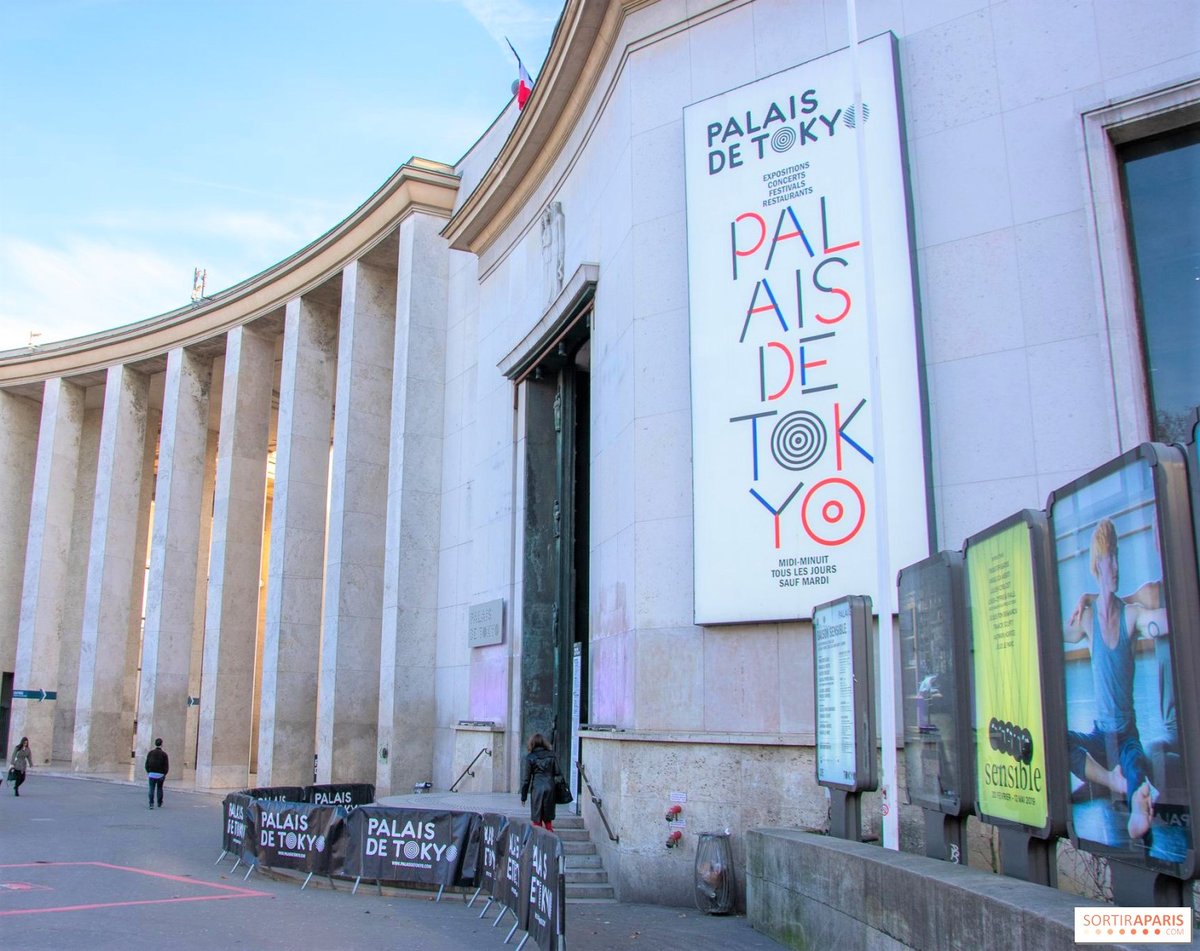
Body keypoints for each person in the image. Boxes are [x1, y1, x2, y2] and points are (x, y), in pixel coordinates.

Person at [1063, 518, 1169, 842]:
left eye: (1118, 556)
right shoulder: (1088, 620)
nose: (1118, 566)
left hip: (1126, 735)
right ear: (1098, 565)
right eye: (1111, 558)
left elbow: (1159, 619)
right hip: (1099, 734)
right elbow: (1059, 633)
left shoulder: (1132, 613)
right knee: (1059, 740)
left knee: (1136, 764)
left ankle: (1134, 794)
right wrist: (1084, 598)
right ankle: (1112, 781)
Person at [519, 733, 561, 832]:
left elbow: (526, 779)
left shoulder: (530, 757)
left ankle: (538, 844)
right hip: (550, 787)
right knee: (548, 820)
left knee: (537, 819)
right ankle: (551, 843)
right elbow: (558, 773)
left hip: (537, 788)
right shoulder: (552, 755)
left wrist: (523, 796)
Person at [145, 738, 169, 809]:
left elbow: (146, 764)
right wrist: (164, 774)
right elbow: (166, 766)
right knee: (159, 788)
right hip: (160, 774)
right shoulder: (164, 754)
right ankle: (159, 802)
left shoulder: (150, 753)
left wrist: (148, 771)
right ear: (161, 744)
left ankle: (151, 803)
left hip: (151, 774)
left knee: (151, 788)